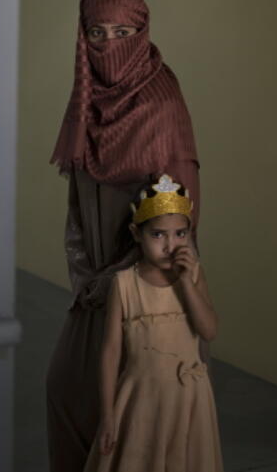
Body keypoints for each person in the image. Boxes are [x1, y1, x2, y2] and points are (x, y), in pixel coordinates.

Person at [46, 0, 201, 472]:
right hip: (93, 282)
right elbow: (76, 203)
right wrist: (84, 275)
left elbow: (176, 219)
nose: (109, 45)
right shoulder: (87, 101)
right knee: (67, 393)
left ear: (142, 33)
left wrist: (122, 279)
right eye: (96, 33)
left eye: (122, 32)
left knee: (135, 422)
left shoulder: (161, 103)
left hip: (145, 285)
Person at [86, 175, 222, 472]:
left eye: (180, 234)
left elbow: (209, 330)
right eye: (158, 235)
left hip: (188, 401)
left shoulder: (194, 275)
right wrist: (108, 415)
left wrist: (186, 283)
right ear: (137, 233)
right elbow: (109, 354)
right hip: (141, 401)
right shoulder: (123, 285)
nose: (171, 245)